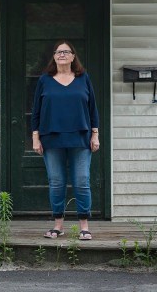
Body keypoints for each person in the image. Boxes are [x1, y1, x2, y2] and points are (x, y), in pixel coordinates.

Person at [31, 40, 100, 240]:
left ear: (72, 57)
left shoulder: (83, 78)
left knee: (81, 181)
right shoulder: (45, 80)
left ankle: (84, 227)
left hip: (80, 138)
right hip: (51, 139)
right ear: (54, 57)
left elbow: (92, 108)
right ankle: (58, 226)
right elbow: (35, 111)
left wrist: (95, 134)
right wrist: (35, 138)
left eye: (66, 51)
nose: (62, 54)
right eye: (58, 52)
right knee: (56, 182)